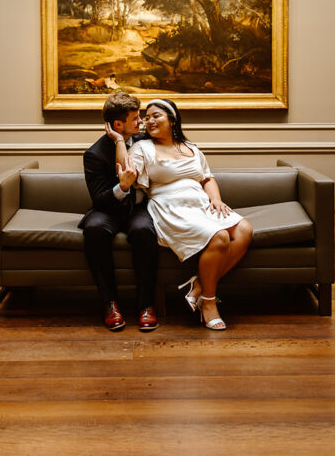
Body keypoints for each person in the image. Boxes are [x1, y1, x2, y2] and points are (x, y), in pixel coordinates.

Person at [108, 98, 253, 331]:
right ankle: (208, 302)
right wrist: (119, 141)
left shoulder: (191, 147)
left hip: (201, 203)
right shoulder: (142, 147)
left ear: (172, 119)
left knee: (245, 230)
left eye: (156, 115)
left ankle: (198, 285)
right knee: (220, 237)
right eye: (146, 117)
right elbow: (125, 172)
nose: (149, 120)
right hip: (170, 207)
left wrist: (215, 198)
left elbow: (207, 178)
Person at [79, 92, 159, 332]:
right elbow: (99, 199)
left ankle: (146, 305)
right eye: (135, 118)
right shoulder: (94, 154)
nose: (141, 122)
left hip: (139, 208)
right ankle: (110, 304)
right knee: (94, 229)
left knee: (144, 230)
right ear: (117, 125)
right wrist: (122, 187)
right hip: (109, 209)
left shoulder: (148, 141)